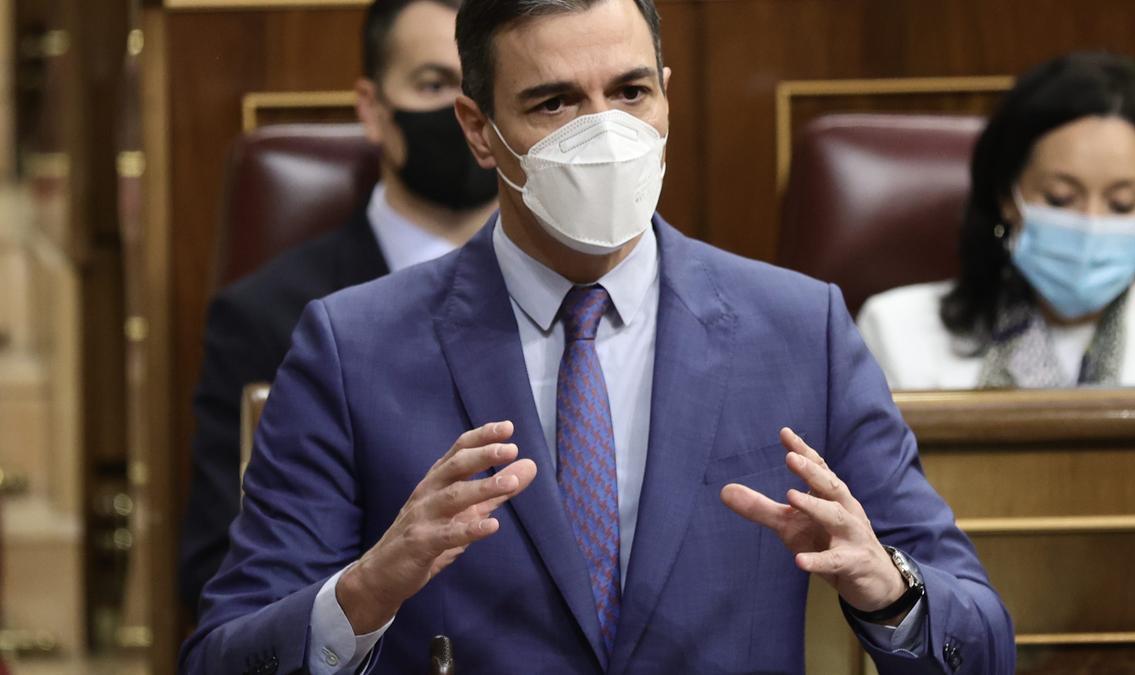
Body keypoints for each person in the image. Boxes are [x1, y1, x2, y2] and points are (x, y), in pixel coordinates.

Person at [179, 0, 1014, 672]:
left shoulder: (802, 329)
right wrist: (363, 593)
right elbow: (225, 653)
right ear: (478, 127)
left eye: (630, 92)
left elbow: (980, 638)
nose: (605, 130)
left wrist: (888, 588)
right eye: (555, 102)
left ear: (667, 96)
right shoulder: (350, 346)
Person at [178, 0, 496, 616]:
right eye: (432, 85)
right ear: (372, 109)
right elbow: (224, 576)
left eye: (478, 89)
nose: (460, 115)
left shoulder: (574, 297)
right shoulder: (271, 314)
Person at [858, 52, 1135, 390]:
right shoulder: (896, 332)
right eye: (1060, 198)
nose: (1091, 224)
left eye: (1122, 205)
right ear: (1008, 196)